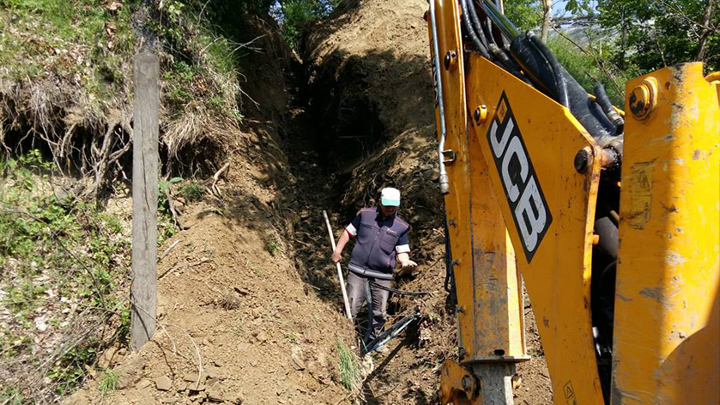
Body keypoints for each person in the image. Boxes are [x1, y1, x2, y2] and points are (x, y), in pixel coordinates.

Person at [331, 187, 417, 348]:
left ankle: (373, 341)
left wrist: (405, 262)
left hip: (382, 275)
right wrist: (337, 250)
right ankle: (343, 339)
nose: (390, 210)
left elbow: (402, 250)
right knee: (352, 304)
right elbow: (348, 232)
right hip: (358, 270)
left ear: (398, 206)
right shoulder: (365, 215)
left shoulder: (401, 227)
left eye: (393, 207)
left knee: (379, 310)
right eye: (387, 206)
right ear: (380, 202)